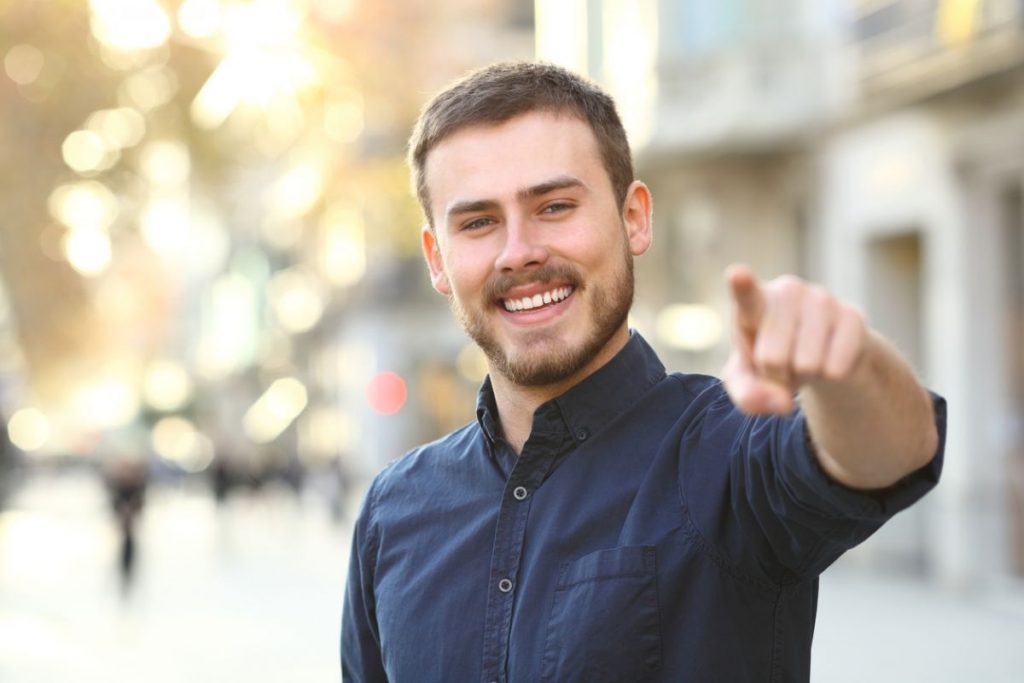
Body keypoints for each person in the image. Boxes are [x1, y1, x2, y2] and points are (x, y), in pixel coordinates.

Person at [341, 62, 946, 682]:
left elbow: (894, 452)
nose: (518, 251)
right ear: (438, 259)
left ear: (634, 218)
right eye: (478, 222)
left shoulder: (726, 452)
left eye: (554, 206)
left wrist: (848, 369)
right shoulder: (394, 511)